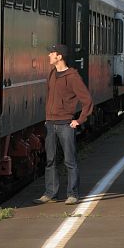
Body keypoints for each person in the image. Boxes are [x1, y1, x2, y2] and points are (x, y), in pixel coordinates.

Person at [34, 44, 93, 206]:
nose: (49, 56)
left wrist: (79, 120)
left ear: (59, 57)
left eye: (51, 53)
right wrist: (47, 118)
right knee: (50, 160)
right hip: (51, 123)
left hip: (66, 124)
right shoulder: (52, 73)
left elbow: (87, 100)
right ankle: (50, 193)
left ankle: (73, 194)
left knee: (70, 160)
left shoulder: (73, 77)